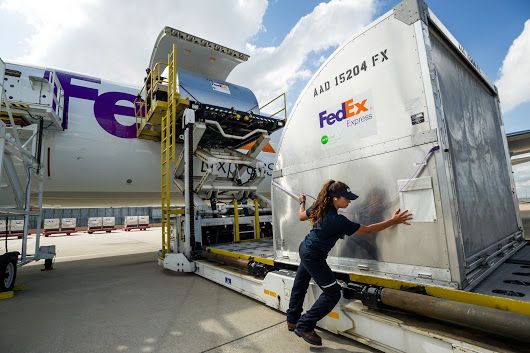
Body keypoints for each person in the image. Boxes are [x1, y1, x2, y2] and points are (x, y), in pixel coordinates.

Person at [287, 180, 413, 346]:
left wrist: (302, 202)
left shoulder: (319, 207)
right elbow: (367, 230)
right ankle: (304, 325)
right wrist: (393, 220)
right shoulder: (336, 220)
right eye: (346, 198)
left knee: (300, 284)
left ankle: (292, 320)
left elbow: (301, 216)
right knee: (333, 293)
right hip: (314, 256)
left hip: (305, 248)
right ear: (335, 198)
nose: (349, 201)